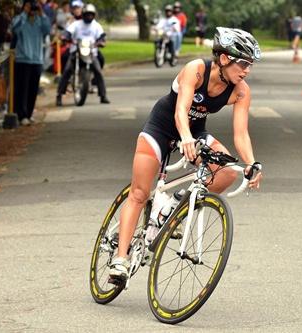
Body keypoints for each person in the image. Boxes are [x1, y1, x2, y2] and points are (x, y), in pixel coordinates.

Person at [108, 27, 264, 281]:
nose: (247, 70)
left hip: (194, 132)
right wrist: (185, 137)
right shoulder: (196, 70)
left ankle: (175, 204)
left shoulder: (241, 90)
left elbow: (241, 134)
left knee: (225, 174)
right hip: (161, 128)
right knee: (139, 193)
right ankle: (120, 259)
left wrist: (251, 163)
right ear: (224, 58)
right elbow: (182, 110)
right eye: (243, 63)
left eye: (250, 65)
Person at [56, 3, 109, 106]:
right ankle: (59, 95)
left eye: (91, 14)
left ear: (94, 15)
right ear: (83, 14)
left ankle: (103, 95)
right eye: (87, 14)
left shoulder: (96, 25)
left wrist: (101, 42)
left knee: (98, 71)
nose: (89, 16)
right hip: (76, 51)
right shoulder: (76, 24)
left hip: (90, 52)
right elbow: (67, 33)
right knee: (67, 71)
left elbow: (102, 36)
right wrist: (65, 37)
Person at [11, 0, 51, 126]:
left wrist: (41, 12)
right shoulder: (19, 19)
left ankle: (29, 113)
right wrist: (24, 13)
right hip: (22, 59)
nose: (32, 9)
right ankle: (21, 114)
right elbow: (16, 29)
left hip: (36, 59)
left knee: (33, 88)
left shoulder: (40, 20)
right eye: (29, 6)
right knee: (22, 88)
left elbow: (47, 29)